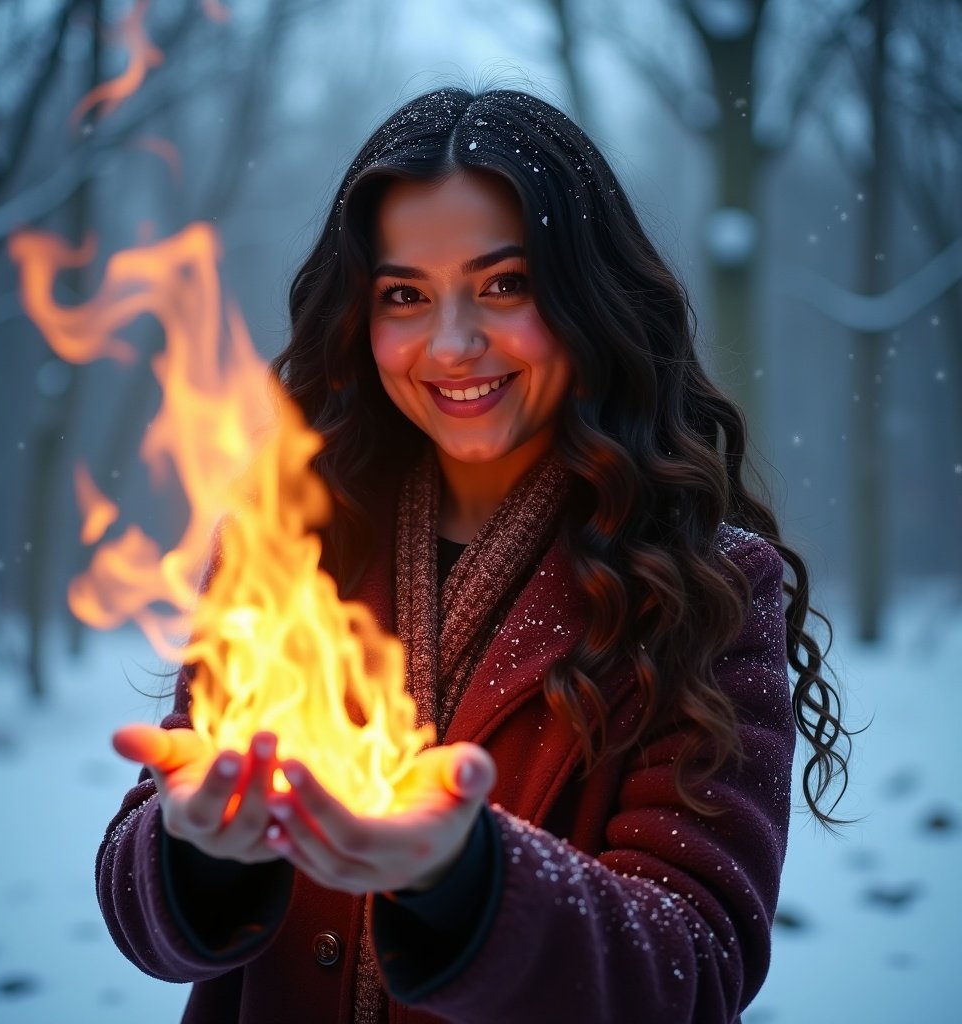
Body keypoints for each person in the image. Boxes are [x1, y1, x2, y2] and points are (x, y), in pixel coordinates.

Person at [97, 87, 849, 1024]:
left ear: (587, 296)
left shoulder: (709, 591)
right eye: (404, 296)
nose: (452, 345)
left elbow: (693, 970)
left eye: (504, 284)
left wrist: (467, 877)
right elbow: (140, 913)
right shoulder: (285, 542)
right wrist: (191, 844)